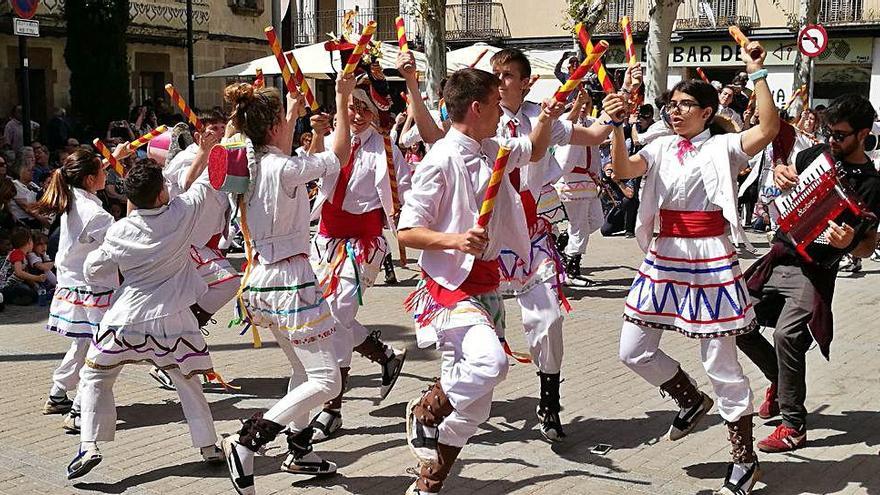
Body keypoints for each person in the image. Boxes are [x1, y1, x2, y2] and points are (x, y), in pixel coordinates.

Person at [609, 39, 780, 494]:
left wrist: (757, 71)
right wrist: (617, 125)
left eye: (685, 105)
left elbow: (767, 127)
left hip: (708, 259)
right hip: (664, 256)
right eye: (671, 105)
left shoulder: (724, 146)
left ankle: (744, 459)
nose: (675, 112)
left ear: (707, 111)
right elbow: (624, 169)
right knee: (632, 349)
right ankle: (688, 398)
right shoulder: (661, 146)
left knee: (720, 360)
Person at [396, 64, 562, 494]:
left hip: (487, 285)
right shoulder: (442, 158)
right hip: (449, 288)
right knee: (492, 363)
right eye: (494, 103)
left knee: (475, 408)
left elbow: (537, 150)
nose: (501, 109)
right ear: (476, 107)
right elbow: (407, 230)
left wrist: (546, 116)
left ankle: (427, 484)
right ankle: (425, 411)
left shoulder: (494, 148)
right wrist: (455, 238)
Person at [489, 47, 642, 441]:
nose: (499, 81)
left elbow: (592, 134)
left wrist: (614, 112)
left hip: (532, 235)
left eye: (507, 75)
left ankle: (548, 398)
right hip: (486, 238)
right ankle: (455, 398)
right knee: (477, 329)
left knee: (549, 318)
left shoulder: (543, 117)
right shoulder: (480, 117)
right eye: (496, 74)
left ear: (526, 82)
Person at [220, 74, 355, 495]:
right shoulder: (284, 167)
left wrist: (292, 109)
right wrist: (342, 99)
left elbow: (271, 147)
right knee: (327, 380)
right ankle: (248, 439)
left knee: (303, 368)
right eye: (285, 119)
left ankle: (299, 446)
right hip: (290, 280)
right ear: (276, 126)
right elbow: (340, 152)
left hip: (262, 278)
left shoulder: (249, 161)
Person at [66, 141, 228, 479]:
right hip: (174, 317)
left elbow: (93, 270)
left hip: (127, 316)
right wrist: (218, 144)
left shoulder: (120, 230)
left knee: (96, 375)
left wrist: (121, 265)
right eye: (165, 185)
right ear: (158, 195)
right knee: (187, 381)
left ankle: (88, 444)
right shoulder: (183, 213)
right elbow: (209, 180)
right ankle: (209, 445)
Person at [737, 94, 880, 454]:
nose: (832, 140)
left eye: (841, 135)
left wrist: (850, 242)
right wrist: (781, 174)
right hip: (778, 254)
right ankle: (778, 378)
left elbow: (868, 245)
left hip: (813, 268)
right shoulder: (814, 156)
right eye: (829, 132)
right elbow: (783, 179)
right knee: (736, 321)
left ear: (863, 134)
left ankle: (793, 426)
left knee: (788, 336)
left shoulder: (873, 184)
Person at [306, 51, 409, 442]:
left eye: (364, 107)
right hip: (326, 240)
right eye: (351, 107)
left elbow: (407, 190)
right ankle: (384, 357)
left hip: (363, 242)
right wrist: (318, 134)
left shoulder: (385, 149)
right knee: (330, 316)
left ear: (376, 111)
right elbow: (313, 171)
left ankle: (332, 410)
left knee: (339, 313)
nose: (357, 113)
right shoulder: (333, 139)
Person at [31, 149, 115, 432]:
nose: (108, 173)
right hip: (92, 288)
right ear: (91, 178)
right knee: (103, 347)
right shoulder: (96, 214)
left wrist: (116, 155)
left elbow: (89, 171)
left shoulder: (74, 196)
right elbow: (121, 246)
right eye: (103, 171)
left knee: (84, 342)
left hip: (74, 284)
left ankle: (58, 392)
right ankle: (81, 406)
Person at [554, 87, 605, 286]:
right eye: (580, 103)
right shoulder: (567, 119)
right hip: (570, 178)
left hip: (589, 180)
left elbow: (604, 127)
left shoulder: (591, 123)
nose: (584, 108)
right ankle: (571, 269)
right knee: (580, 225)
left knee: (597, 220)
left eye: (588, 104)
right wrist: (575, 107)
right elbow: (567, 124)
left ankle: (564, 243)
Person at [9, 148, 51, 229]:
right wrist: (42, 219)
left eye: (33, 170)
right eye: (30, 170)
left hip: (37, 220)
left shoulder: (33, 184)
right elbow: (26, 207)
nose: (33, 172)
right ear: (21, 171)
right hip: (23, 223)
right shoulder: (15, 185)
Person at [0, 227, 43, 305]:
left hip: (14, 285)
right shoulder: (17, 253)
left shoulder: (23, 256)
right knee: (28, 293)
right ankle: (7, 298)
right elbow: (19, 272)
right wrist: (37, 278)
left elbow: (25, 274)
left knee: (35, 294)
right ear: (29, 241)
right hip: (6, 287)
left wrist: (36, 286)